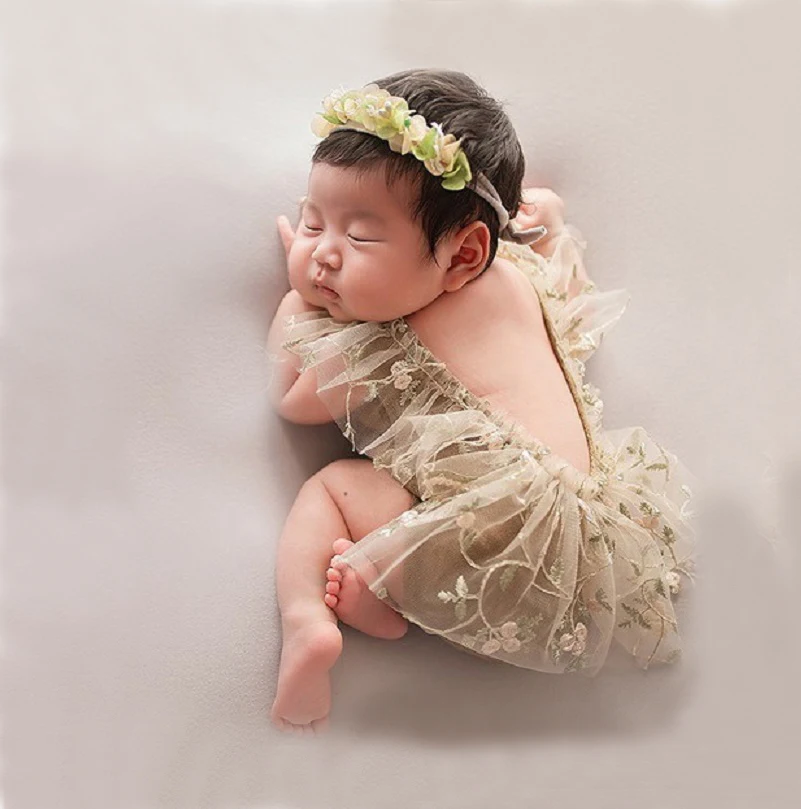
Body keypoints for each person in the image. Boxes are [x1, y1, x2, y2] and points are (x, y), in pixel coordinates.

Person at [266, 70, 697, 735]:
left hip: (500, 540)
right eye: (311, 221)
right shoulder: (520, 276)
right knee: (438, 494)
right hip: (592, 539)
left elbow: (293, 399)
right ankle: (388, 589)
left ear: (462, 254)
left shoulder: (388, 336)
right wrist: (548, 221)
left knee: (330, 489)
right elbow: (570, 292)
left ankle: (306, 623)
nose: (321, 254)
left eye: (361, 238)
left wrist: (294, 304)